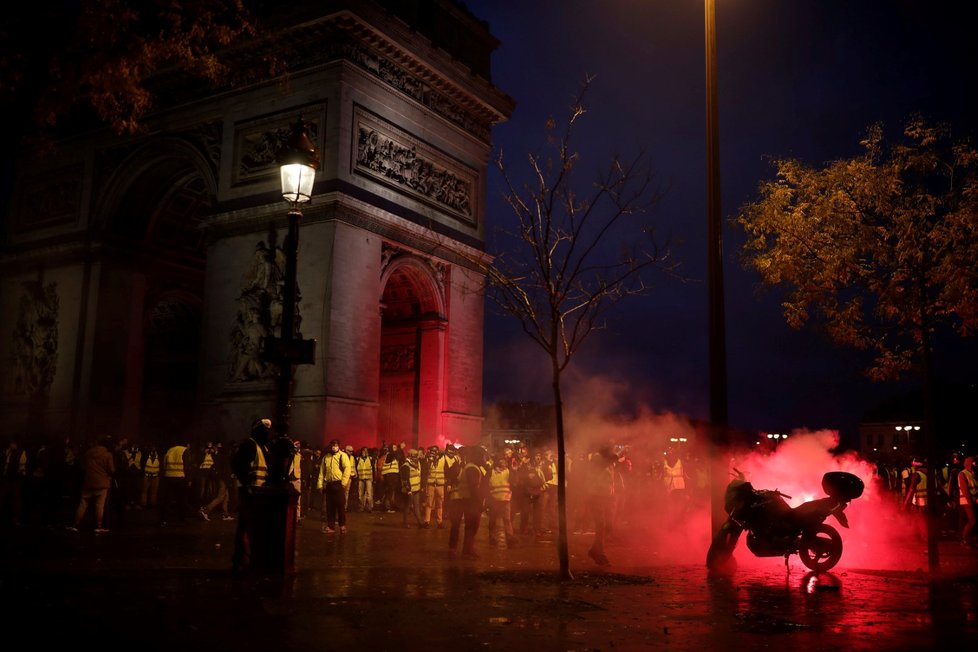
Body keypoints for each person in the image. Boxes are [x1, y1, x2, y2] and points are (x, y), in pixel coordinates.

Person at [230, 419, 271, 574]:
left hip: (259, 493)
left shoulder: (262, 447)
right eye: (263, 431)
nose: (266, 434)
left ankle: (249, 560)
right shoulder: (249, 444)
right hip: (250, 493)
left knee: (253, 529)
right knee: (246, 528)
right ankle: (241, 561)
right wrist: (246, 484)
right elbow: (237, 464)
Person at [446, 445, 488, 560]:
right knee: (461, 525)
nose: (484, 458)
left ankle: (465, 549)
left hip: (463, 499)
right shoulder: (472, 468)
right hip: (461, 499)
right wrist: (479, 503)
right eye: (483, 456)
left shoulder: (473, 467)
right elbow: (473, 488)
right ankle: (457, 549)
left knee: (468, 526)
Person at [66, 436, 115, 533]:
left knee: (83, 504)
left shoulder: (88, 453)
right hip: (102, 483)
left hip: (88, 481)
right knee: (99, 506)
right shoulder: (108, 455)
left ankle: (75, 524)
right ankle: (98, 526)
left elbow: (83, 466)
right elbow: (111, 470)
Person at [585, 442, 618, 566]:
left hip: (608, 497)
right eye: (612, 449)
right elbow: (600, 466)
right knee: (601, 525)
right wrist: (612, 459)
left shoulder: (609, 462)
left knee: (608, 526)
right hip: (596, 496)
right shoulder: (596, 459)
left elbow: (610, 480)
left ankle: (594, 550)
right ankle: (601, 555)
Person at [317, 439, 352, 534]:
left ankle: (342, 525)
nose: (334, 447)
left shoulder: (343, 456)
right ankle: (331, 526)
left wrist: (343, 483)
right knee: (330, 507)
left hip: (339, 484)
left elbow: (347, 469)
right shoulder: (326, 458)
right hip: (329, 484)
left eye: (336, 445)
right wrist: (320, 485)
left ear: (339, 446)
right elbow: (321, 472)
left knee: (340, 506)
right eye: (333, 445)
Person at [159, 439, 192, 525]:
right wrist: (188, 479)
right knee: (181, 499)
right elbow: (187, 466)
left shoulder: (170, 450)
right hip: (180, 477)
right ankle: (181, 518)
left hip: (169, 476)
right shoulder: (185, 450)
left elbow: (164, 463)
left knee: (167, 499)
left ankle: (164, 518)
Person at [400, 448, 424, 528]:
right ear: (410, 456)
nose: (416, 457)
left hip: (416, 489)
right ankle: (405, 523)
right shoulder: (406, 466)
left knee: (417, 506)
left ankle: (420, 523)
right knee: (407, 507)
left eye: (417, 456)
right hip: (409, 490)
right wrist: (408, 490)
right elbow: (405, 480)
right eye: (414, 456)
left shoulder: (417, 463)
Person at [958, 455, 977, 547]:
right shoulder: (963, 474)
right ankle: (964, 539)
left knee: (973, 521)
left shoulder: (972, 473)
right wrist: (970, 502)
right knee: (972, 521)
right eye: (974, 462)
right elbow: (964, 489)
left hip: (973, 501)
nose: (975, 464)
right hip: (967, 501)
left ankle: (970, 539)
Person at [355, 447, 374, 512]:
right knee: (360, 494)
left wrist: (373, 478)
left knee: (369, 494)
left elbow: (373, 469)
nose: (365, 452)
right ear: (361, 452)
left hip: (368, 478)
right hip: (360, 478)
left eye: (366, 451)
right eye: (363, 451)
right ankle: (361, 507)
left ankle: (369, 507)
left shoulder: (370, 459)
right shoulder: (358, 459)